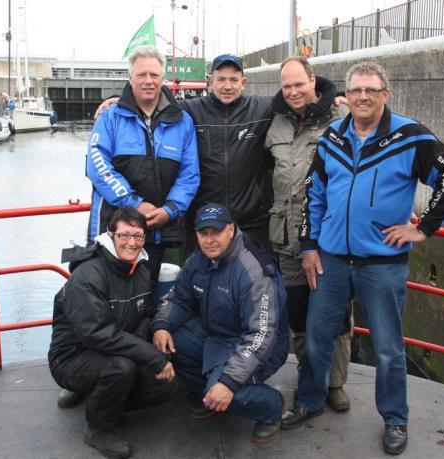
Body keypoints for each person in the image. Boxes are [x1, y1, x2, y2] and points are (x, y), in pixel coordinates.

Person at [282, 61, 444, 456]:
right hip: (330, 261)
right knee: (317, 338)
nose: (363, 96)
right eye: (356, 90)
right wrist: (309, 246)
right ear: (345, 97)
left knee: (387, 348)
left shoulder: (410, 136)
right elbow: (313, 195)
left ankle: (395, 419)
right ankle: (311, 400)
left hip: (382, 265)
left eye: (372, 89)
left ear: (386, 93)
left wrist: (424, 227)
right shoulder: (333, 137)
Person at [96, 53, 274, 250]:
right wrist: (117, 100)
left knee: (256, 278)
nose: (227, 86)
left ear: (244, 82)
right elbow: (151, 103)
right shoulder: (188, 111)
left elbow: (293, 95)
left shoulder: (262, 109)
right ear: (210, 81)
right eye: (221, 79)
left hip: (250, 222)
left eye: (233, 80)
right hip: (204, 222)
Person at [152, 203, 289, 443]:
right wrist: (162, 325)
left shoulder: (253, 271)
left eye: (216, 232)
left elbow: (261, 334)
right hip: (217, 333)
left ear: (231, 229)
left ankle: (271, 407)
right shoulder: (198, 258)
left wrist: (229, 382)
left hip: (261, 346)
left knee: (230, 390)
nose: (209, 240)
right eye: (203, 233)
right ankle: (210, 396)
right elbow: (179, 298)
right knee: (166, 345)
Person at [48, 208, 176, 458]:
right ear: (110, 235)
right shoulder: (88, 275)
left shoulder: (140, 270)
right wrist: (150, 356)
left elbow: (145, 314)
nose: (132, 243)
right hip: (72, 358)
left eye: (138, 236)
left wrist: (152, 338)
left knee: (162, 388)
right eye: (125, 235)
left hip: (114, 350)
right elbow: (96, 333)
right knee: (121, 368)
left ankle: (98, 396)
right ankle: (98, 428)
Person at [264, 56, 353, 412]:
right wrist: (115, 101)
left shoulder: (343, 118)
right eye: (286, 86)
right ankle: (309, 377)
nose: (293, 92)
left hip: (332, 238)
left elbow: (382, 157)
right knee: (299, 315)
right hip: (287, 238)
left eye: (299, 83)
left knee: (338, 317)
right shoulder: (275, 121)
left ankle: (334, 383)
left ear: (313, 80)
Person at [86, 45, 200, 283]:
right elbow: (97, 166)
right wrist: (134, 204)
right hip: (113, 232)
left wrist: (170, 210)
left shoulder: (183, 122)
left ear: (163, 78)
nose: (148, 81)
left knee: (144, 303)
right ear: (130, 78)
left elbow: (190, 174)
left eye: (154, 75)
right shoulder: (109, 117)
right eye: (141, 75)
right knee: (105, 300)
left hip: (156, 232)